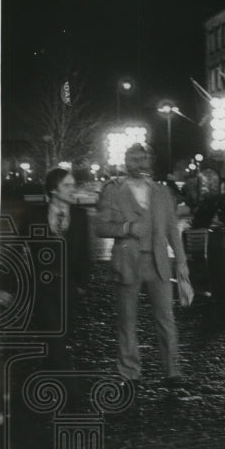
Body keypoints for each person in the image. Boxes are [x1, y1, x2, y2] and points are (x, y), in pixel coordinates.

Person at [95, 143, 188, 389]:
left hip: (158, 263)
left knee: (166, 318)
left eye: (143, 158)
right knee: (127, 320)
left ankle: (172, 371)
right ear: (126, 162)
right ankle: (129, 373)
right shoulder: (113, 190)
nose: (139, 163)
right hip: (126, 263)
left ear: (150, 161)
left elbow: (172, 229)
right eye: (133, 158)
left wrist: (181, 262)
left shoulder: (162, 192)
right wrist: (127, 228)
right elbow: (100, 226)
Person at [2, 168, 92, 372]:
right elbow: (17, 249)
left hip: (69, 286)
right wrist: (5, 286)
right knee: (53, 332)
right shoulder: (34, 215)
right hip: (42, 286)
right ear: (53, 190)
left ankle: (51, 371)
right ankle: (66, 380)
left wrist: (82, 284)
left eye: (73, 185)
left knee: (62, 333)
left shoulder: (80, 216)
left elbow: (84, 252)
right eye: (67, 185)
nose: (73, 189)